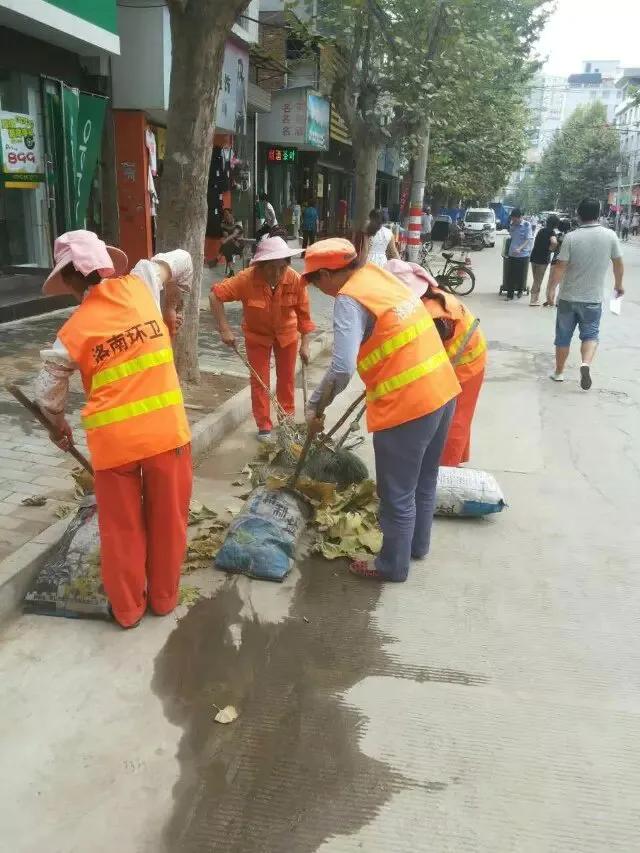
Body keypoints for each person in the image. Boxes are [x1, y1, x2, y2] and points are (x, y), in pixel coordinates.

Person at [34, 231, 194, 629]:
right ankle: (163, 600)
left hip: (113, 445)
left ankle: (126, 611)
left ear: (70, 280)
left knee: (121, 530)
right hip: (166, 434)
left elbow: (47, 394)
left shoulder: (72, 332)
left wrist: (58, 428)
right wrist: (172, 308)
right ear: (105, 262)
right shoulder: (144, 280)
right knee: (168, 521)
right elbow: (184, 259)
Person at [302, 239, 460, 582]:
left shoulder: (348, 298)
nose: (319, 290)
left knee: (396, 492)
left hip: (409, 404)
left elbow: (342, 368)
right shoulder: (379, 277)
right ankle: (416, 547)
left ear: (328, 274)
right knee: (425, 476)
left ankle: (392, 565)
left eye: (315, 281)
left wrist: (315, 405)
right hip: (443, 388)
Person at [210, 236, 315, 440]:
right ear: (260, 265)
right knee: (260, 380)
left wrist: (306, 344)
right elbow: (215, 296)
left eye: (281, 267)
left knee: (287, 378)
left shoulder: (295, 280)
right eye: (271, 268)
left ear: (287, 265)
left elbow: (304, 316)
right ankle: (264, 425)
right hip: (257, 335)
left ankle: (286, 420)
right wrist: (224, 329)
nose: (276, 273)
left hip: (287, 335)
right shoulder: (246, 279)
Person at [386, 259, 487, 467]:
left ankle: (443, 472)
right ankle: (444, 464)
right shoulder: (430, 294)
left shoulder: (434, 314)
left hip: (464, 365)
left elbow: (424, 354)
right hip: (462, 355)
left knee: (452, 421)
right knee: (452, 418)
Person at [546, 197, 624, 389]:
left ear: (579, 214)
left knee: (563, 336)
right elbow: (618, 263)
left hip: (568, 297)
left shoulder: (572, 237)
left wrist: (551, 289)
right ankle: (585, 364)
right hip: (593, 299)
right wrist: (619, 285)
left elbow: (560, 267)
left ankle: (559, 372)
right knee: (590, 335)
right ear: (598, 215)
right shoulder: (610, 236)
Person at [528, 214, 560, 306]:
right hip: (543, 259)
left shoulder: (541, 231)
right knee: (538, 280)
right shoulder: (552, 233)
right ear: (556, 224)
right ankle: (533, 300)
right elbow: (554, 242)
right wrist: (550, 249)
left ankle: (535, 298)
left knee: (536, 279)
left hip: (534, 256)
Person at [505, 208, 533, 300]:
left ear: (520, 217)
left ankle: (520, 290)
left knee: (520, 275)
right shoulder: (512, 224)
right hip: (512, 253)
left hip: (522, 255)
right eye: (512, 218)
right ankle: (510, 295)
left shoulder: (526, 225)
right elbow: (511, 236)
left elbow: (528, 239)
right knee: (510, 275)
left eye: (515, 219)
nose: (513, 220)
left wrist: (520, 248)